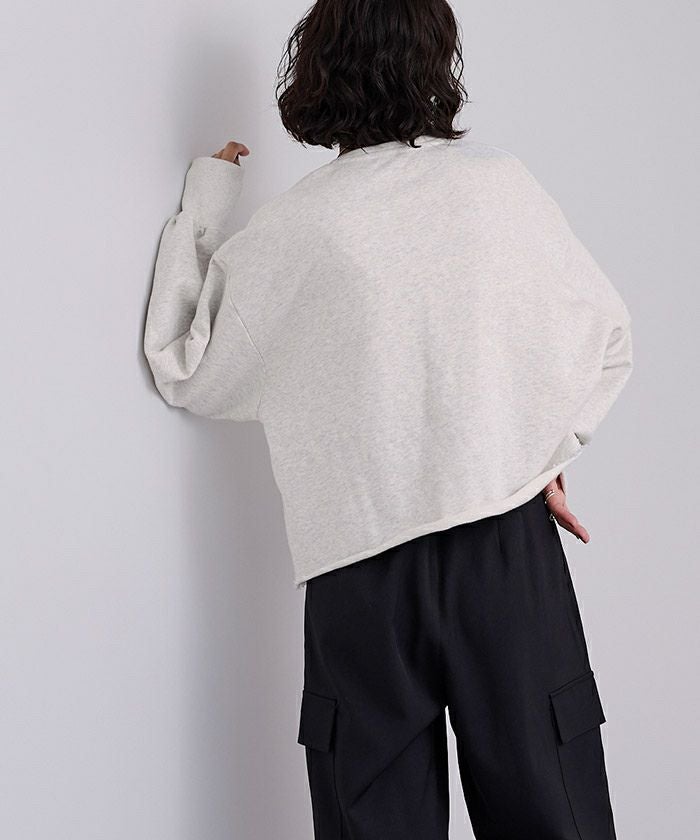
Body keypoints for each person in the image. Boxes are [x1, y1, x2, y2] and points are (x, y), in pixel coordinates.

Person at [143, 1, 632, 837]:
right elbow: (605, 338)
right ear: (435, 63)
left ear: (319, 71)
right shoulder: (500, 190)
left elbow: (187, 366)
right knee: (556, 814)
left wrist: (208, 198)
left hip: (358, 570)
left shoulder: (299, 227)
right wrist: (546, 450)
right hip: (504, 552)